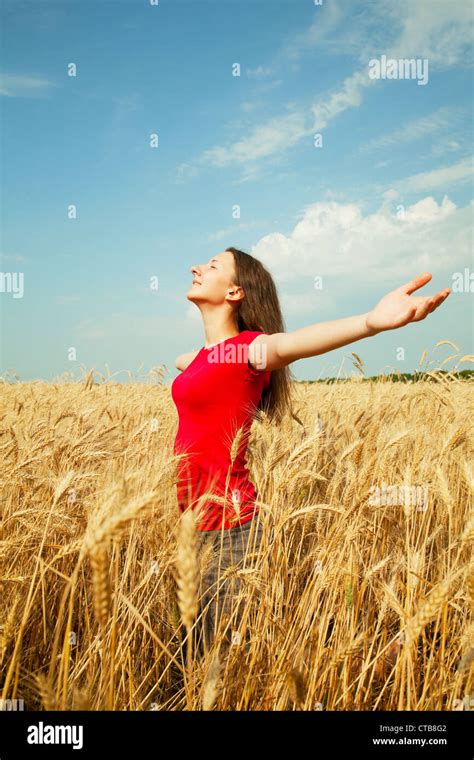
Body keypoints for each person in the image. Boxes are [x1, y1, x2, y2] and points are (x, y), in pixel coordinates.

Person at [171, 246, 451, 658]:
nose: (195, 266)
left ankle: (381, 658)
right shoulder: (196, 359)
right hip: (193, 526)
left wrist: (370, 323)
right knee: (199, 654)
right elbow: (191, 365)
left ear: (235, 292)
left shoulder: (249, 350)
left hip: (231, 529)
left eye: (212, 265)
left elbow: (296, 343)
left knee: (232, 660)